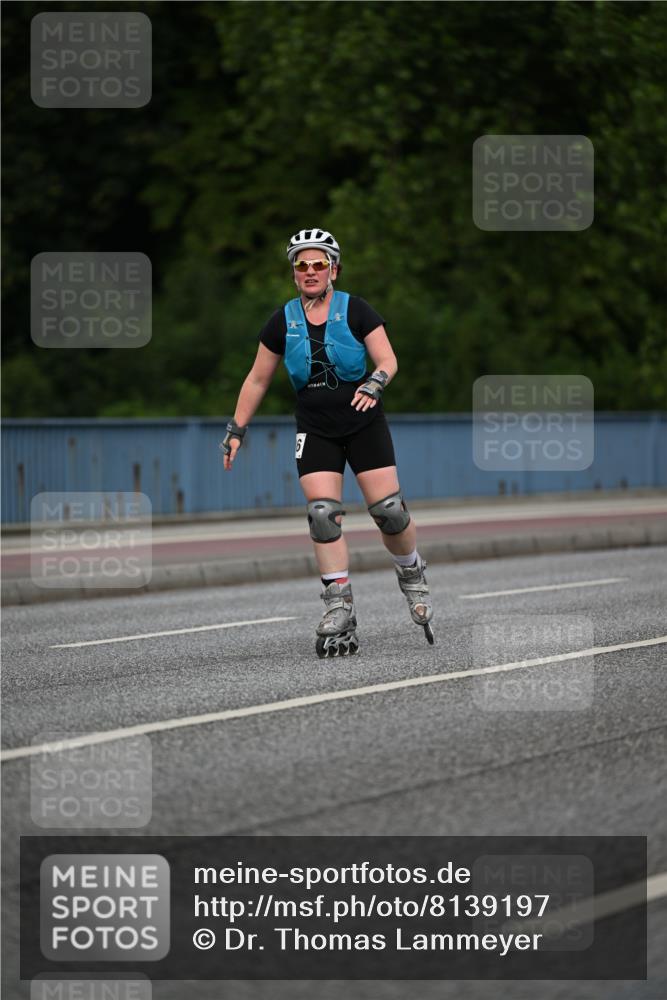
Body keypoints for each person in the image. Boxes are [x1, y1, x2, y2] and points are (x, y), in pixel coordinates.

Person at [221, 228, 434, 657]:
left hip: (363, 422)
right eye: (302, 265)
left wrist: (376, 381)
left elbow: (388, 359)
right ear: (294, 273)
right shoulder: (281, 321)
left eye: (319, 263)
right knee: (322, 515)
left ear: (333, 269)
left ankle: (411, 574)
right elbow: (257, 378)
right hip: (315, 427)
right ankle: (339, 605)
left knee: (389, 512)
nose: (310, 271)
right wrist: (236, 429)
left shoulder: (356, 309)